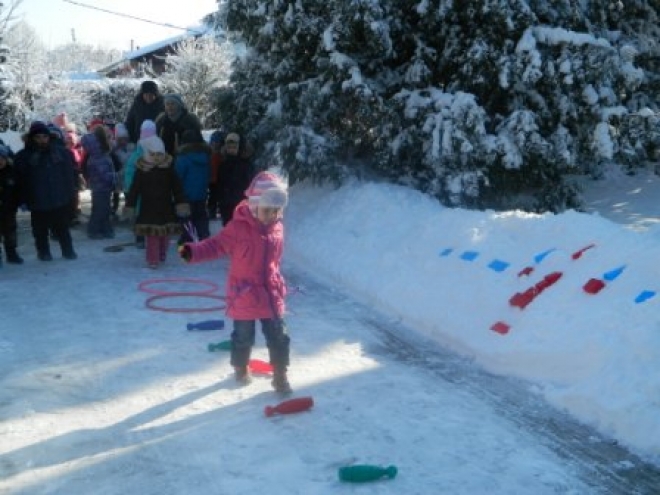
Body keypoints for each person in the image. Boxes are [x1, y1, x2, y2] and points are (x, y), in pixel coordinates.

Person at [178, 171, 292, 393]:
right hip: (244, 292)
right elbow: (216, 245)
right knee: (243, 336)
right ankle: (240, 366)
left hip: (271, 291)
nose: (272, 216)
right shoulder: (238, 228)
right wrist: (191, 252)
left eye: (276, 211)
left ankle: (280, 374)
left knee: (279, 334)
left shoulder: (277, 226)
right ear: (254, 206)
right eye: (267, 210)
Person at [14, 121, 78, 261]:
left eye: (44, 136)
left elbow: (69, 174)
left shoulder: (61, 153)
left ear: (49, 137)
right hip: (37, 200)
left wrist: (71, 193)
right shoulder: (24, 157)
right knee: (39, 231)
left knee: (63, 228)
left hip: (59, 198)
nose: (42, 140)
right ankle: (43, 253)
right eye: (38, 137)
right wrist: (23, 199)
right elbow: (20, 180)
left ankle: (68, 251)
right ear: (32, 138)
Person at [123, 135, 189, 269]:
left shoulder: (168, 169)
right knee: (152, 237)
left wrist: (181, 202)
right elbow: (134, 190)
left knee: (164, 236)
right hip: (148, 209)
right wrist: (130, 206)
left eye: (159, 154)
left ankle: (162, 253)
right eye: (153, 154)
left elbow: (177, 187)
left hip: (165, 208)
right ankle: (152, 259)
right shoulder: (141, 171)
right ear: (147, 154)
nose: (156, 158)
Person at [174, 128, 211, 244]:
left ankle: (187, 244)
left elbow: (177, 177)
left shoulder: (182, 158)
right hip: (201, 193)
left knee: (186, 220)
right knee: (201, 217)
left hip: (185, 196)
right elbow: (208, 175)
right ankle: (204, 240)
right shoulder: (206, 157)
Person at [81, 126, 116, 239]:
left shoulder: (101, 155)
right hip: (100, 188)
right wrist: (117, 176)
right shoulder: (99, 157)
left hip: (103, 188)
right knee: (100, 210)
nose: (112, 140)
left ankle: (105, 229)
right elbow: (104, 175)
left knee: (105, 209)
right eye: (109, 138)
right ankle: (93, 230)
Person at [216, 132, 256, 225]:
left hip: (241, 201)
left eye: (234, 148)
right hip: (226, 203)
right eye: (229, 148)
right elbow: (220, 183)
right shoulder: (223, 164)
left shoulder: (245, 164)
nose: (231, 150)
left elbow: (250, 182)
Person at [0, 145, 24, 264]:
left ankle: (12, 254)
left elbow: (18, 189)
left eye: (1, 158)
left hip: (9, 209)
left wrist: (21, 201)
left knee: (10, 233)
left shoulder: (11, 172)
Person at [124, 80, 165, 144]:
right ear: (142, 94)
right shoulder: (137, 105)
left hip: (157, 142)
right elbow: (130, 122)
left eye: (151, 94)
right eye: (146, 94)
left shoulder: (162, 106)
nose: (148, 97)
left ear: (156, 94)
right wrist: (131, 139)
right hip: (138, 141)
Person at [207, 129, 225, 220]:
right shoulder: (208, 153)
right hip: (211, 180)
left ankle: (219, 210)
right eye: (213, 142)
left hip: (220, 180)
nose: (214, 145)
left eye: (217, 143)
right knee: (212, 197)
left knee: (220, 196)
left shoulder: (223, 155)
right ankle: (212, 211)